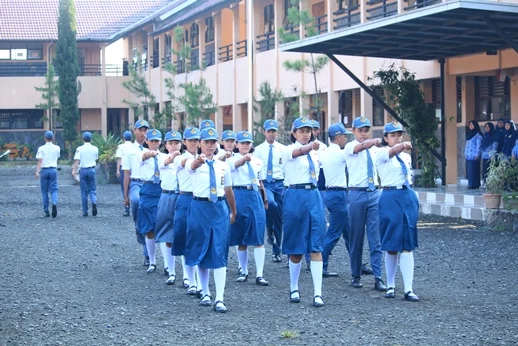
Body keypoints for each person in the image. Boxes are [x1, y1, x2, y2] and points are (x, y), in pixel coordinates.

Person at [185, 127, 236, 313]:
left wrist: (233, 210)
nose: (209, 146)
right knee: (202, 249)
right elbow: (191, 167)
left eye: (213, 142)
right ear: (200, 143)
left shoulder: (223, 165)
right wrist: (198, 161)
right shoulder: (192, 162)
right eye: (206, 142)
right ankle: (205, 292)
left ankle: (220, 298)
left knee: (220, 250)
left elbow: (229, 189)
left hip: (219, 208)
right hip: (200, 207)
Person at [282, 116, 326, 308]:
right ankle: (294, 287)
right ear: (294, 133)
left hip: (313, 194)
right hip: (295, 194)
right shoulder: (288, 150)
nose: (306, 134)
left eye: (308, 131)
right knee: (296, 246)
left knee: (316, 245)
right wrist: (311, 147)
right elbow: (299, 151)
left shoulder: (317, 151)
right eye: (302, 131)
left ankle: (318, 293)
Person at [375, 121, 419, 302]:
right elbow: (392, 152)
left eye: (399, 135)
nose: (397, 138)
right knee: (391, 243)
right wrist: (401, 146)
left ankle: (408, 289)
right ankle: (391, 285)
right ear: (386, 138)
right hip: (390, 196)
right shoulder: (381, 153)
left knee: (408, 243)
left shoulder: (406, 158)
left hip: (406, 194)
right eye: (393, 135)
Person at [344, 116, 386, 292]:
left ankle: (378, 276)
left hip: (374, 192)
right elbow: (360, 147)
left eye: (366, 130)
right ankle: (356, 274)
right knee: (356, 236)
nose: (363, 133)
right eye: (360, 130)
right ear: (353, 131)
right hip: (357, 194)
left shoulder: (375, 151)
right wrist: (372, 142)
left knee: (375, 237)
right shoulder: (350, 147)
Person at [227, 130, 269, 286]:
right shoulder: (232, 159)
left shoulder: (258, 161)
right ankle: (243, 270)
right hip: (239, 194)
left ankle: (259, 274)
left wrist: (264, 198)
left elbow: (260, 181)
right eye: (242, 143)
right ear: (237, 144)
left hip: (254, 194)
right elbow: (236, 166)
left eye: (248, 143)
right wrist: (244, 159)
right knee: (241, 235)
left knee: (258, 234)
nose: (245, 145)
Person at [319, 123, 352, 277]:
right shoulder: (340, 153)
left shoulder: (324, 153)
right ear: (338, 137)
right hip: (339, 194)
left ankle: (356, 264)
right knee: (334, 233)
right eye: (344, 136)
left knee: (349, 232)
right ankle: (321, 264)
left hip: (331, 193)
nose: (345, 138)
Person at [173, 127, 201, 293]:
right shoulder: (180, 157)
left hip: (200, 200)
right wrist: (197, 162)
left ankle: (197, 278)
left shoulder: (205, 157)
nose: (194, 143)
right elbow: (186, 164)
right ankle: (189, 279)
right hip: (186, 198)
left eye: (196, 140)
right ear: (184, 141)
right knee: (185, 237)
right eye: (191, 140)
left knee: (198, 238)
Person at [254, 119, 286, 263]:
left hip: (279, 184)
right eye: (269, 131)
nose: (271, 134)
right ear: (264, 132)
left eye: (274, 131)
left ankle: (276, 248)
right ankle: (268, 226)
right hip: (265, 184)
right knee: (271, 204)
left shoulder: (282, 149)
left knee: (279, 217)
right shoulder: (259, 150)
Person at [155, 130, 182, 285]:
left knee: (184, 234)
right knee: (167, 234)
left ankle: (187, 275)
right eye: (170, 143)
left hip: (182, 196)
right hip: (167, 195)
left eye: (176, 143)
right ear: (165, 145)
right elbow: (166, 162)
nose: (173, 146)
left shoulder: (186, 159)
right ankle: (170, 270)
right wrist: (173, 156)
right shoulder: (162, 158)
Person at [122, 119, 150, 266]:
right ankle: (140, 232)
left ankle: (150, 252)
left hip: (151, 184)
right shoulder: (129, 151)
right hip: (136, 183)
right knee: (137, 202)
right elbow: (126, 173)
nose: (143, 133)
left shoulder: (152, 148)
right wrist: (125, 195)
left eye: (145, 130)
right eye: (140, 130)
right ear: (135, 131)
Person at [137, 129, 164, 274]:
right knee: (149, 228)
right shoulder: (141, 154)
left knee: (164, 225)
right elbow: (145, 155)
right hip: (148, 189)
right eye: (152, 141)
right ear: (147, 141)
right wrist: (151, 154)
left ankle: (168, 264)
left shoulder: (165, 156)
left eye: (157, 141)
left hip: (161, 189)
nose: (154, 143)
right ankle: (152, 261)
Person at [72, 132, 99, 217]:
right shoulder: (95, 148)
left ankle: (85, 211)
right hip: (91, 169)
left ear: (83, 139)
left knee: (84, 191)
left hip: (83, 170)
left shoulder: (80, 148)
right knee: (92, 189)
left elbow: (77, 160)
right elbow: (96, 158)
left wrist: (73, 170)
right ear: (91, 139)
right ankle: (94, 202)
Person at [35, 131, 60, 218]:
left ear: (45, 138)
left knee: (44, 191)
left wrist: (37, 171)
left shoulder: (41, 148)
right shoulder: (57, 148)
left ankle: (46, 210)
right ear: (52, 138)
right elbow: (57, 157)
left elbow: (40, 161)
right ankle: (54, 203)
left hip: (44, 170)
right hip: (53, 169)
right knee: (54, 189)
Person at [116, 131, 133, 216]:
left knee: (125, 188)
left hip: (124, 168)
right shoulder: (134, 146)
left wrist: (117, 169)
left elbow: (119, 159)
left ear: (123, 138)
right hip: (133, 169)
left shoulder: (121, 147)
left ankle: (127, 208)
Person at [464, 120, 482, 189]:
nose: (471, 126)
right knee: (470, 171)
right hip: (469, 155)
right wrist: (465, 153)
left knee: (474, 170)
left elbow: (479, 145)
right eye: (470, 125)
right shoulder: (469, 135)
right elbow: (467, 145)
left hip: (475, 156)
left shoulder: (478, 135)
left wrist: (477, 154)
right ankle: (471, 183)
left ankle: (475, 184)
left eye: (472, 124)